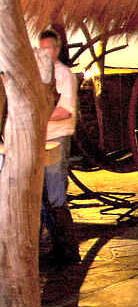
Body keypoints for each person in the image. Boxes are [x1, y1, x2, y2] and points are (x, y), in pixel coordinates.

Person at [38, 29, 79, 265]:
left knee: (55, 196)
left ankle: (68, 252)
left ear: (56, 49)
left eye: (48, 49)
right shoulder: (41, 74)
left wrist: (36, 116)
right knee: (43, 196)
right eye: (41, 49)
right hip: (41, 141)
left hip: (58, 140)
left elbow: (64, 111)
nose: (45, 53)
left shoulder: (64, 75)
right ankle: (55, 247)